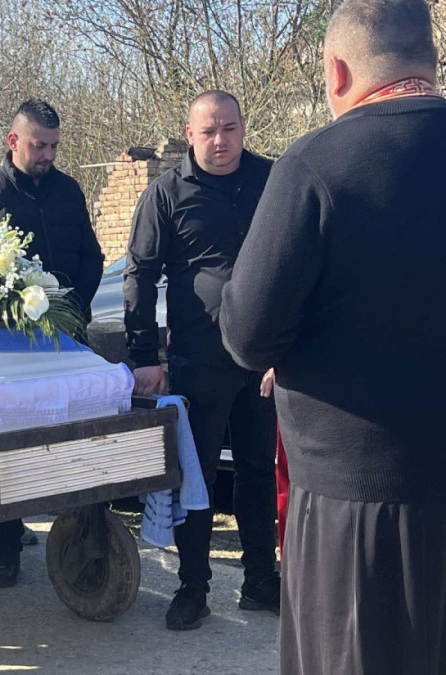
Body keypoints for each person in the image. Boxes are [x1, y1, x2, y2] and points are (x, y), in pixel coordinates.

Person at [220, 1, 445, 672]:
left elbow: (249, 332)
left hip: (360, 505)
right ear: (430, 59)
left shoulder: (317, 163)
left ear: (337, 71)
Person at [124, 90, 279, 630]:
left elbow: (297, 259)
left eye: (229, 128)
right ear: (190, 134)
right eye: (209, 131)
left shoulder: (271, 180)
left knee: (258, 471)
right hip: (199, 359)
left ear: (243, 127)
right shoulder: (165, 193)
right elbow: (140, 274)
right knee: (197, 476)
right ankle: (193, 587)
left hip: (262, 359)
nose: (220, 140)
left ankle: (261, 581)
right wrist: (144, 355)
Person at [0, 99, 104, 588]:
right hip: (10, 339)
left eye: (53, 146)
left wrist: (75, 310)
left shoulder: (68, 189)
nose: (48, 155)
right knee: (11, 440)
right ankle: (8, 542)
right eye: (38, 145)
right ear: (13, 141)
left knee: (77, 428)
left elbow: (91, 255)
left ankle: (85, 534)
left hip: (67, 332)